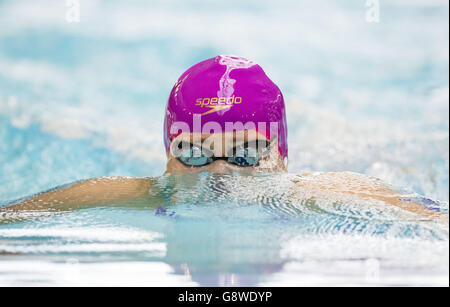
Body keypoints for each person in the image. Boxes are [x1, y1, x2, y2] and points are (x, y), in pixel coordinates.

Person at [1, 55, 447, 226]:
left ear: (282, 155)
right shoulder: (133, 192)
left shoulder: (327, 192)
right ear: (168, 156)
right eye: (193, 153)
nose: (219, 173)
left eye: (247, 153)